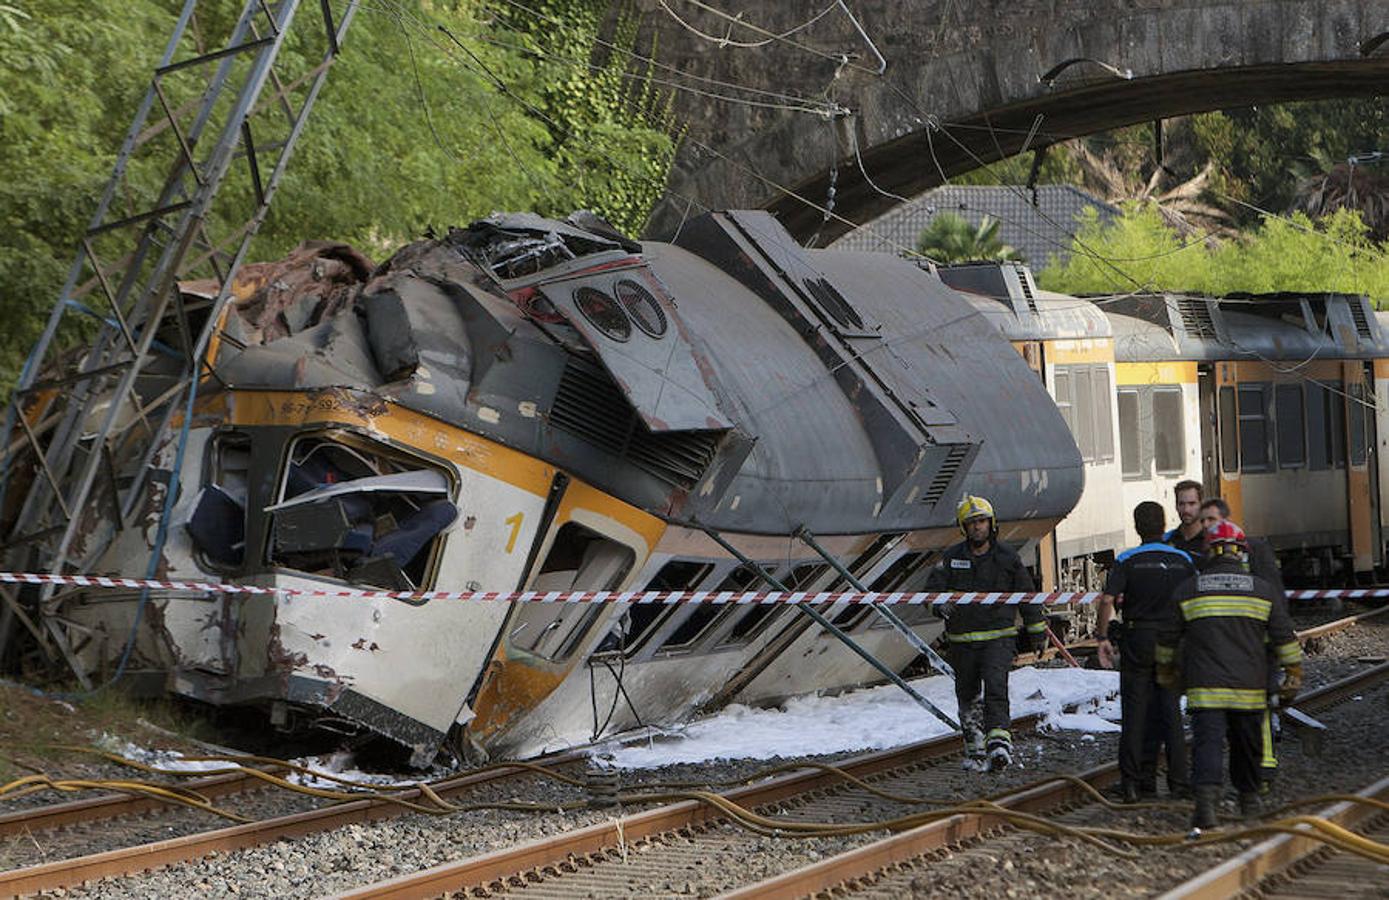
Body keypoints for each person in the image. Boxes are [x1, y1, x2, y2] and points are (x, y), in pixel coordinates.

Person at [1157, 520, 1303, 830]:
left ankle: (1206, 808)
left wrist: (1167, 672)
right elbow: (1283, 637)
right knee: (1247, 744)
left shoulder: (1188, 590)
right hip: (1248, 687)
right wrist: (1293, 672)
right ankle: (1248, 802)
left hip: (1204, 688)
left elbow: (1167, 639)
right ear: (1242, 554)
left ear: (1208, 552)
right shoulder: (1262, 591)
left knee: (1207, 744)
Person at [928, 495, 1046, 772]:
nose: (977, 527)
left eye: (981, 521)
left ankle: (999, 746)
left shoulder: (1007, 558)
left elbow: (1027, 595)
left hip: (999, 638)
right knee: (967, 695)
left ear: (991, 524)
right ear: (963, 527)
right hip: (962, 642)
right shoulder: (951, 558)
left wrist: (1037, 632)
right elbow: (930, 591)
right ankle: (975, 747)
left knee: (996, 689)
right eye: (971, 523)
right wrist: (938, 604)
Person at [1095, 501, 1195, 803]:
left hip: (1138, 639)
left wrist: (1102, 637)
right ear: (1164, 525)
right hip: (1171, 641)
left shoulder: (1128, 559)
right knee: (1170, 713)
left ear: (1137, 527)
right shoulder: (1183, 559)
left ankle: (1132, 785)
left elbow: (1107, 600)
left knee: (1135, 713)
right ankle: (1179, 782)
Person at [1198, 496, 1286, 791]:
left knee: (1256, 715)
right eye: (1204, 521)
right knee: (1239, 721)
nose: (1207, 526)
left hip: (1255, 649)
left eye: (1212, 520)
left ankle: (1262, 772)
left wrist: (1279, 646)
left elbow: (1275, 601)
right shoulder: (1205, 557)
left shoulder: (1257, 553)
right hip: (1229, 651)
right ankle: (1250, 781)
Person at [1164, 480, 1207, 557]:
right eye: (1181, 504)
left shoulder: (1211, 540)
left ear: (1202, 505)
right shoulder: (1166, 540)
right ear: (1176, 506)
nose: (1186, 510)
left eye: (1192, 504)